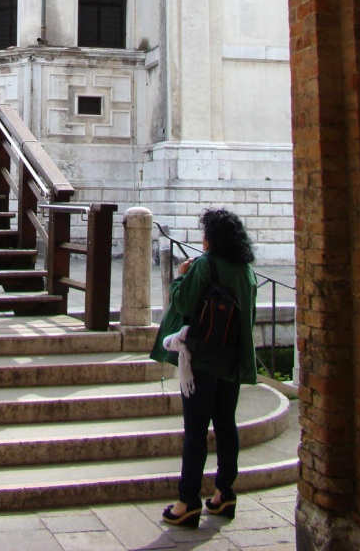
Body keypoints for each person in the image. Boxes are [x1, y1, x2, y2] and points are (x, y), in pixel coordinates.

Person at [151, 207, 258, 528]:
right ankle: (224, 493)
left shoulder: (205, 266)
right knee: (226, 425)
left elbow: (182, 303)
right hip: (232, 360)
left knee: (196, 431)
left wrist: (181, 275)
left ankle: (187, 501)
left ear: (210, 238)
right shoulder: (246, 270)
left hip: (202, 360)